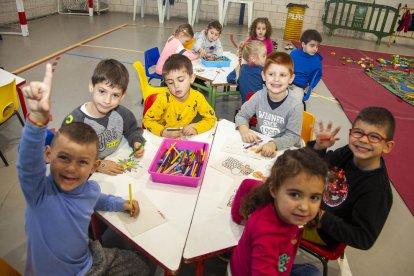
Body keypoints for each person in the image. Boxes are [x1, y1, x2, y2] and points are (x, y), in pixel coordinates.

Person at [19, 64, 149, 276]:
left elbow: (98, 198)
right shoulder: (39, 193)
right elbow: (27, 165)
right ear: (48, 155)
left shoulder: (89, 187)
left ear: (94, 165)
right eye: (63, 158)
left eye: (82, 162)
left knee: (138, 265)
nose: (71, 169)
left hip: (89, 259)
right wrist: (36, 121)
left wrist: (122, 203)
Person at [304, 106, 396, 250]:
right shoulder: (349, 152)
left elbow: (363, 239)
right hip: (309, 206)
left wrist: (320, 214)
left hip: (322, 232)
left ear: (387, 146)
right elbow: (312, 168)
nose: (364, 140)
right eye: (358, 132)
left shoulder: (377, 190)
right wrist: (319, 147)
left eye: (374, 137)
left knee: (268, 212)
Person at [229, 148, 328, 275]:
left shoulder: (278, 203)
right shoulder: (267, 235)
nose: (305, 207)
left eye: (314, 197)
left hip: (274, 263)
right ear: (274, 190)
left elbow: (247, 184)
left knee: (312, 271)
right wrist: (240, 218)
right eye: (295, 195)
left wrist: (238, 217)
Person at [62, 59, 145, 176]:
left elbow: (132, 130)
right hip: (84, 176)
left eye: (115, 95)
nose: (107, 100)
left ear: (122, 96)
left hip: (114, 166)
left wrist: (136, 141)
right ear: (91, 86)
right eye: (102, 91)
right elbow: (67, 156)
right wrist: (97, 165)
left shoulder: (122, 114)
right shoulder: (76, 122)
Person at [235, 52, 303, 157]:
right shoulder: (258, 96)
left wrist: (273, 144)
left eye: (282, 75)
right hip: (261, 143)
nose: (276, 79)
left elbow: (293, 136)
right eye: (271, 74)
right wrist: (244, 130)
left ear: (291, 78)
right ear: (263, 76)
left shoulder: (295, 105)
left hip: (285, 149)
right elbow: (242, 115)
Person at [143, 54, 217, 138]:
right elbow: (147, 120)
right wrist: (162, 132)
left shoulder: (197, 98)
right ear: (166, 83)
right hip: (161, 137)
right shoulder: (163, 99)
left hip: (181, 137)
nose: (176, 86)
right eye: (170, 82)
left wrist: (195, 129)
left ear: (192, 78)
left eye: (181, 80)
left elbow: (211, 118)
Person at [289, 29, 323, 102]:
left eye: (317, 46)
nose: (315, 49)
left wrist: (310, 86)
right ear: (303, 44)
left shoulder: (316, 61)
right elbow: (286, 66)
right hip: (286, 82)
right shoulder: (294, 54)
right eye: (312, 46)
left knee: (295, 101)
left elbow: (317, 76)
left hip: (299, 86)